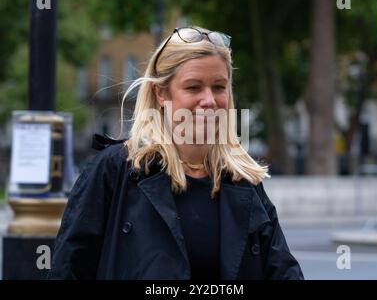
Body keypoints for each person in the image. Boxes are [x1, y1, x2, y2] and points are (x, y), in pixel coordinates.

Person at [47, 26, 304, 280]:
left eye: (218, 87)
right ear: (161, 93)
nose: (209, 100)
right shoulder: (114, 171)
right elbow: (68, 269)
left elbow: (283, 271)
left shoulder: (243, 179)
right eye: (193, 87)